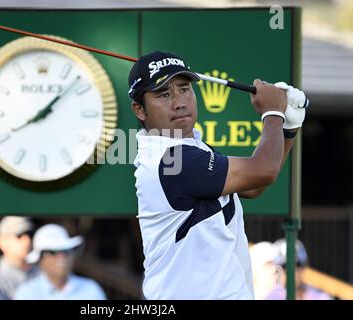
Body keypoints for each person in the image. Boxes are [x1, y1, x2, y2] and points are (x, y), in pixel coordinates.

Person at [129, 50, 307, 299]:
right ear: (139, 110)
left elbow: (252, 186)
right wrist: (273, 113)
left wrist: (288, 127)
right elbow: (264, 170)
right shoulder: (173, 160)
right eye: (164, 94)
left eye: (184, 88)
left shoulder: (190, 149)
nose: (179, 101)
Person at [14, 224, 106, 300]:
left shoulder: (92, 290)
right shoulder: (26, 294)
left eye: (66, 251)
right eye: (53, 252)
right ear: (40, 259)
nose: (61, 257)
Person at [0, 216, 39, 300]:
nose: (27, 240)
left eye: (30, 235)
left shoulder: (44, 274)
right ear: (2, 242)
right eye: (19, 235)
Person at [266, 238, 332, 300]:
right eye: (285, 266)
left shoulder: (320, 297)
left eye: (296, 265)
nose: (291, 271)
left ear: (304, 268)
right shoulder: (272, 297)